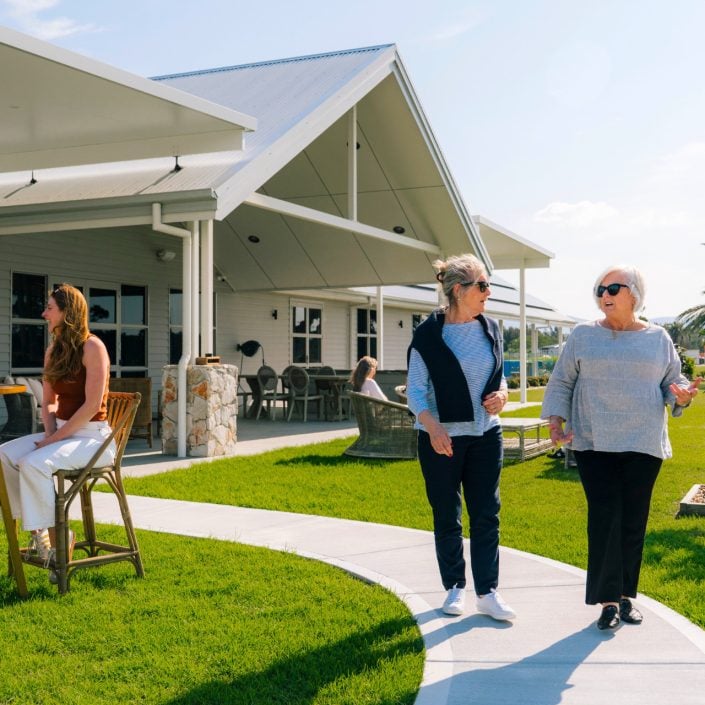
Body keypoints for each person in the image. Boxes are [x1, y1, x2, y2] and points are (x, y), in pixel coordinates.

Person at [542, 265, 699, 630]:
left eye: (614, 287)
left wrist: (683, 396)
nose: (604, 294)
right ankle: (608, 602)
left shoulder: (658, 337)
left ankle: (627, 597)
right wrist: (555, 419)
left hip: (643, 443)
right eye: (600, 288)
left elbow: (672, 382)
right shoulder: (582, 335)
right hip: (594, 441)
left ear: (635, 295)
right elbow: (562, 380)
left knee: (632, 520)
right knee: (604, 518)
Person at [406, 254, 515, 620]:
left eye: (488, 285)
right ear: (458, 290)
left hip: (486, 434)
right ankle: (455, 587)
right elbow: (416, 392)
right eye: (482, 285)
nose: (488, 292)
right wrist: (432, 426)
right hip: (441, 439)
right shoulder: (428, 335)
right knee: (447, 514)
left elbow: (499, 376)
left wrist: (503, 395)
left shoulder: (491, 328)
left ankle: (488, 592)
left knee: (487, 514)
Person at [0, 284, 114, 581]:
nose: (44, 313)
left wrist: (51, 442)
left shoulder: (93, 348)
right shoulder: (54, 351)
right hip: (63, 433)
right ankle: (41, 535)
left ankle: (58, 541)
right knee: (4, 455)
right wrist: (50, 434)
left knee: (34, 462)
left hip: (92, 437)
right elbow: (49, 402)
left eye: (50, 308)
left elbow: (91, 406)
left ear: (68, 312)